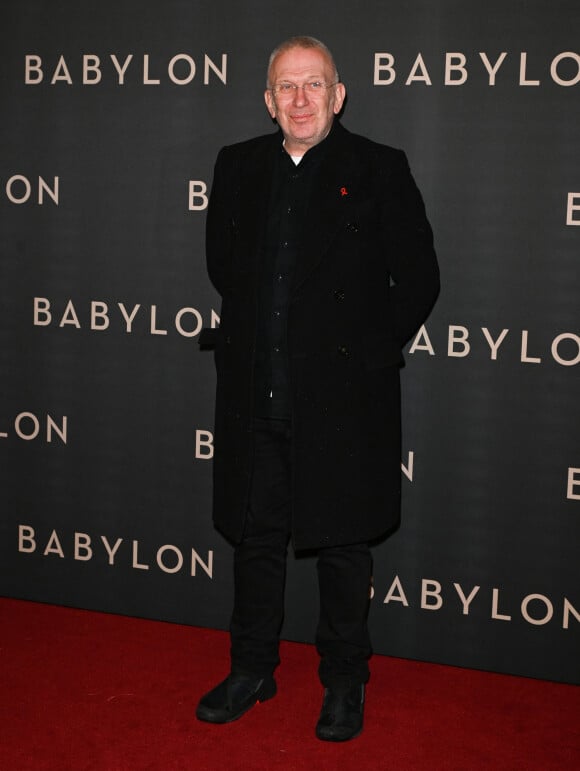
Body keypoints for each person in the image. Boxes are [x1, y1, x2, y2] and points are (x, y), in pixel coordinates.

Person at [196, 35, 439, 741]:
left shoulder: (378, 168)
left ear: (338, 95)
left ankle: (344, 680)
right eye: (286, 87)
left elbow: (419, 277)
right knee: (256, 537)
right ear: (269, 101)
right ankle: (252, 667)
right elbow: (223, 267)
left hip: (344, 400)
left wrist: (362, 354)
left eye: (314, 85)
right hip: (255, 392)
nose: (300, 99)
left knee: (344, 546)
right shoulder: (237, 166)